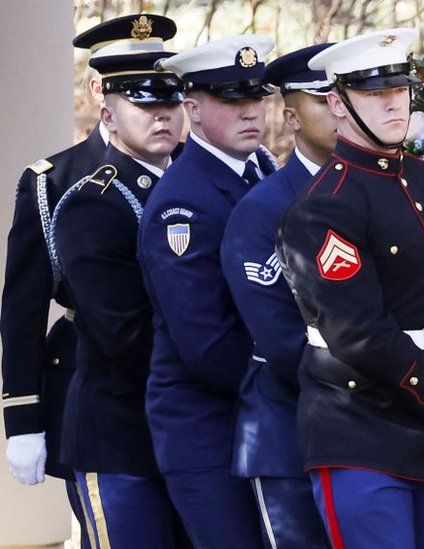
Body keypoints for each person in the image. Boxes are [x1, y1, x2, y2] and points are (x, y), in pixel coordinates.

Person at [276, 28, 424, 549]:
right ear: (337, 104)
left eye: (399, 90)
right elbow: (357, 333)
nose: (393, 105)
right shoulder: (324, 206)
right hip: (360, 427)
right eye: (373, 93)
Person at [1, 14, 147, 547]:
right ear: (98, 90)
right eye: (133, 84)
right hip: (90, 377)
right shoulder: (54, 180)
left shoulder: (189, 173)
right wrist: (22, 418)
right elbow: (22, 306)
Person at [50, 15, 187, 546]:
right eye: (143, 103)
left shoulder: (205, 187)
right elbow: (125, 334)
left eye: (171, 102)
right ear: (106, 110)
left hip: (192, 433)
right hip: (122, 436)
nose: (161, 116)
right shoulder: (92, 200)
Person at [137, 34, 278, 548]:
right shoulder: (183, 203)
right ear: (192, 110)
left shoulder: (261, 168)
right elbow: (207, 344)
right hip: (207, 429)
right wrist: (300, 380)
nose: (251, 112)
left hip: (256, 416)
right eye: (231, 100)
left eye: (257, 97)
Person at [220, 43, 336, 548]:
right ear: (290, 116)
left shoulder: (389, 190)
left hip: (373, 438)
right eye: (323, 99)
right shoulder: (263, 208)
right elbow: (284, 339)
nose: (341, 110)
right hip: (292, 436)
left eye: (346, 95)